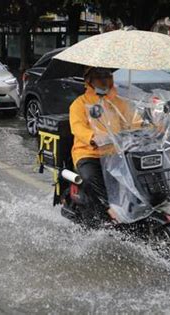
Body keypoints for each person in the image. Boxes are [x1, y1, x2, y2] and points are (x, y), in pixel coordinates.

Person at [69, 67, 132, 223]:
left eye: (107, 75)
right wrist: (92, 138)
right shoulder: (79, 104)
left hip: (114, 153)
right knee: (91, 178)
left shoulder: (119, 103)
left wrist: (151, 127)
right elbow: (77, 127)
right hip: (88, 154)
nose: (104, 80)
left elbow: (132, 122)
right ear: (89, 80)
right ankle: (107, 211)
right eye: (99, 76)